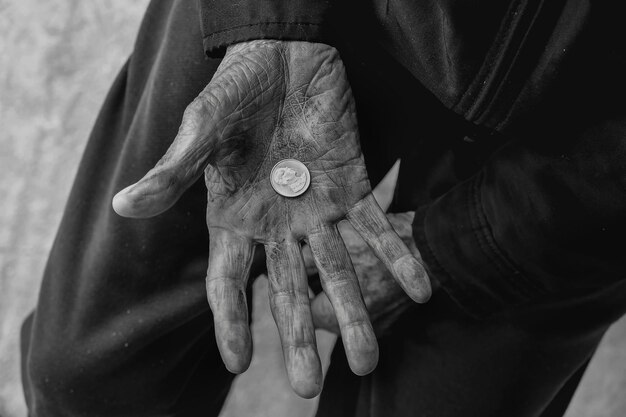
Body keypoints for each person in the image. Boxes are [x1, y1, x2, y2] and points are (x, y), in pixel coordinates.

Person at [20, 0, 626, 416]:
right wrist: (265, 17)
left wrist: (471, 241)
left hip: (591, 145)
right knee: (88, 379)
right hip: (311, 18)